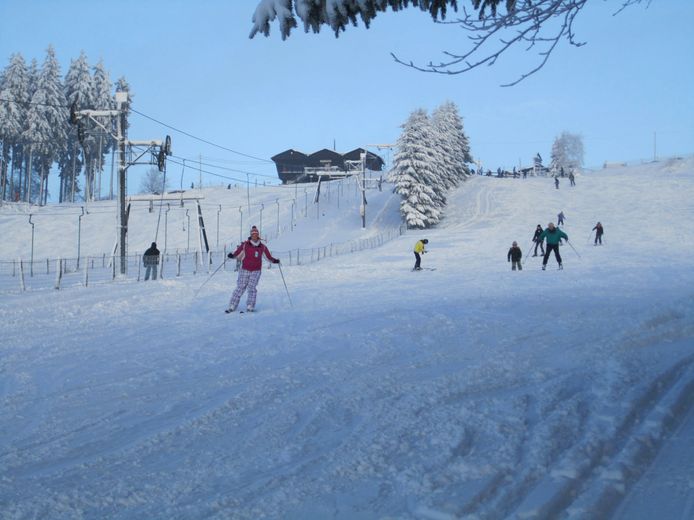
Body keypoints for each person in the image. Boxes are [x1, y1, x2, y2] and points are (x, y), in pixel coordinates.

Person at [225, 226, 279, 313]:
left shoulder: (262, 247)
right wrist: (232, 256)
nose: (254, 235)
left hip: (256, 270)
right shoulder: (245, 245)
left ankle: (250, 305)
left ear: (258, 235)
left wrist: (274, 261)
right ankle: (232, 305)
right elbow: (237, 252)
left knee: (252, 287)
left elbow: (268, 257)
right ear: (251, 235)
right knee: (240, 287)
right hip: (245, 269)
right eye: (253, 234)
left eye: (256, 234)